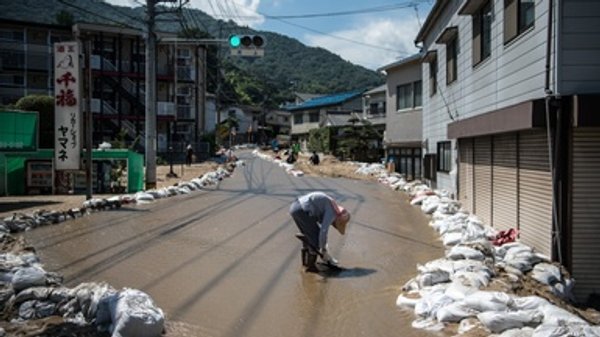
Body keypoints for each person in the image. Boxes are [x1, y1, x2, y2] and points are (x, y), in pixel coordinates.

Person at [289, 192, 351, 272]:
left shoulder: (331, 205)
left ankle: (305, 263)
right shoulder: (332, 212)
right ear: (338, 220)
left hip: (295, 207)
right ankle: (311, 267)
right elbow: (323, 231)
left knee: (309, 236)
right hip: (302, 210)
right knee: (316, 238)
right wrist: (323, 249)